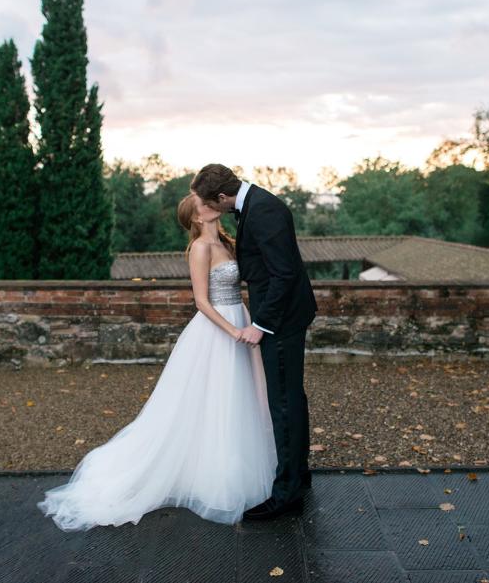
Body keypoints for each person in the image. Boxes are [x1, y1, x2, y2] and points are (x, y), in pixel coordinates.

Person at [37, 193, 277, 531]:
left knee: (238, 397)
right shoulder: (200, 249)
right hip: (219, 328)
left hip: (240, 316)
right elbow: (201, 302)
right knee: (211, 397)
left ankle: (222, 465)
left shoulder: (226, 242)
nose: (210, 204)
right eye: (204, 204)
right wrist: (233, 331)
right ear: (196, 217)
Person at [190, 164, 317, 521]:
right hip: (284, 316)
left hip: (280, 321)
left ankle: (286, 494)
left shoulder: (264, 211)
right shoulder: (257, 204)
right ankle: (298, 475)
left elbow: (284, 274)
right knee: (291, 396)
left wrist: (260, 324)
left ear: (222, 198)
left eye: (207, 202)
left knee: (283, 402)